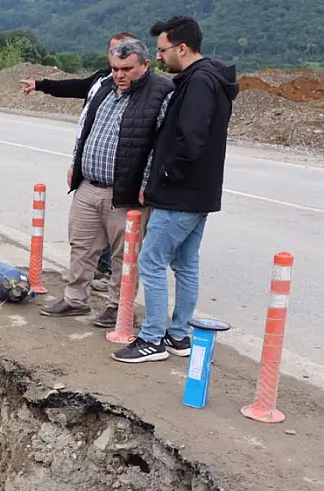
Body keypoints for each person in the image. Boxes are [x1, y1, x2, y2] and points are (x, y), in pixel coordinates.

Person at [112, 16, 238, 364]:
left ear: (182, 48)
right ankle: (178, 335)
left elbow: (191, 140)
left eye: (163, 49)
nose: (160, 55)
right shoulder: (210, 80)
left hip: (180, 194)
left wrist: (164, 176)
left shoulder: (198, 83)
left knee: (151, 261)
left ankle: (152, 338)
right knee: (185, 263)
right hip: (199, 194)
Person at [40, 39, 173, 328]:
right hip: (89, 185)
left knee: (124, 255)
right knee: (82, 245)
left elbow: (161, 146)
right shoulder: (104, 88)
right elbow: (86, 129)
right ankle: (76, 299)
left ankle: (118, 306)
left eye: (127, 69)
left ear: (145, 65)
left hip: (125, 192)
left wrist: (148, 182)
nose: (119, 75)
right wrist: (76, 165)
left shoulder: (161, 93)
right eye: (115, 68)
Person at [21, 32, 138, 290]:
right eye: (114, 51)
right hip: (89, 168)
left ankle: (109, 280)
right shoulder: (101, 81)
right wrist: (41, 84)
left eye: (124, 53)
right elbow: (74, 89)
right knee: (85, 232)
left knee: (115, 233)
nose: (117, 59)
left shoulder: (143, 91)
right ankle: (80, 289)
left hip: (119, 179)